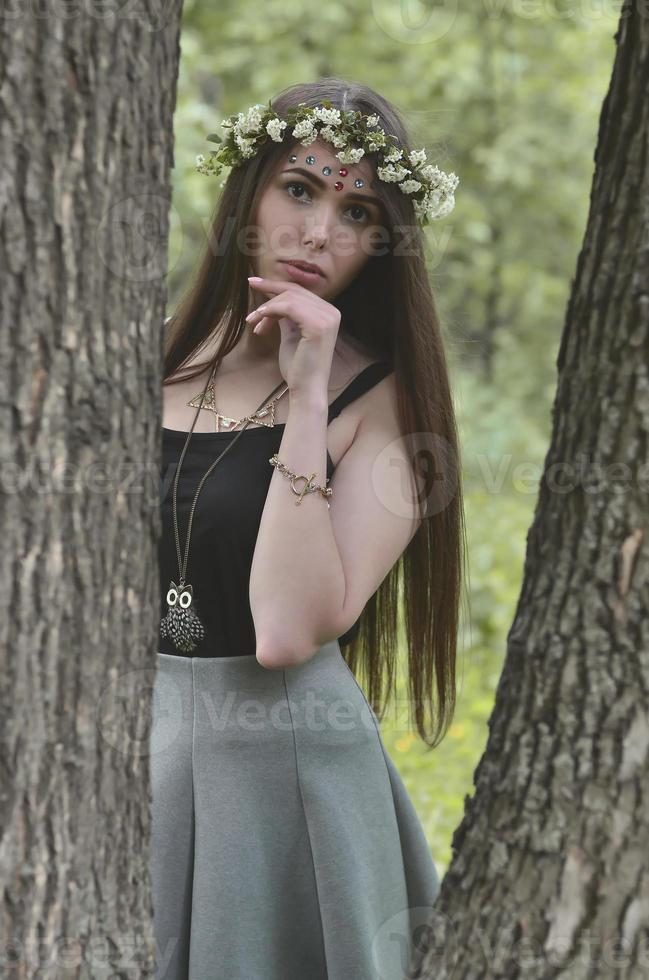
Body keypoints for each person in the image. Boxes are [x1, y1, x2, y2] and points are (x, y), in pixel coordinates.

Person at [152, 76, 466, 980]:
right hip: (125, 752)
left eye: (358, 211)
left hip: (281, 778)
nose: (321, 231)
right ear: (247, 197)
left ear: (383, 243)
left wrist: (308, 392)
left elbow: (287, 633)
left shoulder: (387, 408)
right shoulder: (143, 359)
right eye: (300, 188)